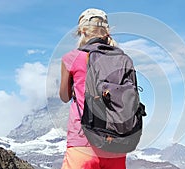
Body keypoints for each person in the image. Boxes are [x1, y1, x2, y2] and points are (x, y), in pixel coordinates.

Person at [59, 8, 126, 169]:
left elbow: (64, 96)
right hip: (116, 146)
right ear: (107, 31)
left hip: (82, 144)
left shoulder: (71, 58)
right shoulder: (122, 58)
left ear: (82, 31)